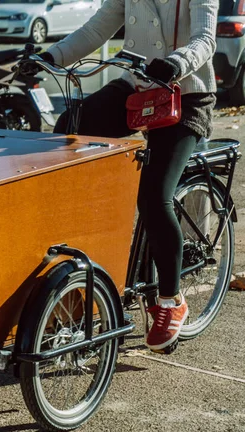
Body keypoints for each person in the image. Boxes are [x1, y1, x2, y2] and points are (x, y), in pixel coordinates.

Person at [38, 0, 218, 353]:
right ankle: (90, 242)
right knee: (69, 127)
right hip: (138, 87)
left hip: (186, 92)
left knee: (154, 196)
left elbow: (205, 38)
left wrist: (177, 62)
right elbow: (97, 28)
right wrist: (50, 57)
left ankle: (170, 300)